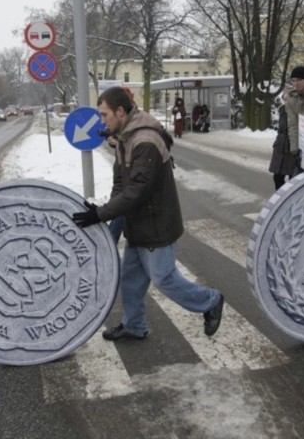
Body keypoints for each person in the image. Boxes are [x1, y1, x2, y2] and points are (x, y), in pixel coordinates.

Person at [72, 86, 224, 340]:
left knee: (164, 279)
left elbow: (137, 191)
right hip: (139, 224)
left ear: (120, 111)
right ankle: (134, 325)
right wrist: (104, 214)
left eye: (104, 114)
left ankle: (210, 300)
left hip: (156, 224)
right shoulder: (124, 137)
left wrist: (102, 214)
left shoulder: (144, 142)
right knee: (130, 280)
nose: (102, 120)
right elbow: (121, 186)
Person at [268, 87, 295, 190]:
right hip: (280, 147)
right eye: (284, 96)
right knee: (277, 177)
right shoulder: (282, 110)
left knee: (293, 179)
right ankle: (281, 199)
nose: (285, 99)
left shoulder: (297, 111)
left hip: (292, 147)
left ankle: (291, 201)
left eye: (288, 96)